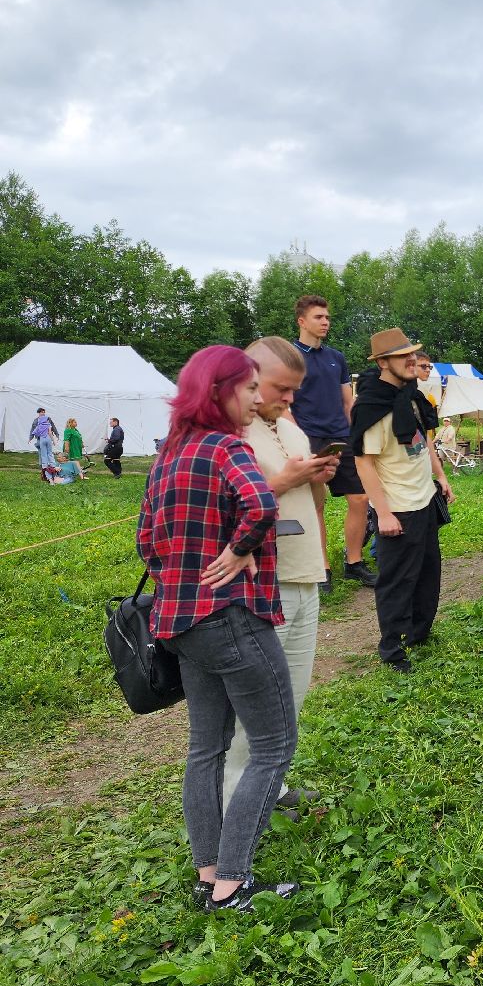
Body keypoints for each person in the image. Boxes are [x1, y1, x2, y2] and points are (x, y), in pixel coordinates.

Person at [137, 345, 298, 912]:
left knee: (205, 748)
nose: (258, 399)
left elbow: (145, 543)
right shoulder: (228, 446)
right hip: (231, 618)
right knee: (275, 744)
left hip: (178, 623)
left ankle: (208, 871)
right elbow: (262, 506)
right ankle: (233, 882)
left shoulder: (169, 454)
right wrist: (237, 550)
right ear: (219, 391)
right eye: (249, 388)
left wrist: (199, 561)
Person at [221, 337, 338, 817]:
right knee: (254, 704)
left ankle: (270, 784)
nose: (290, 399)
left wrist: (317, 477)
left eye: (296, 390)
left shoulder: (288, 428)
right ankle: (233, 801)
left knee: (290, 696)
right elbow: (218, 507)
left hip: (303, 573)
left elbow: (309, 503)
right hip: (261, 583)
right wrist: (283, 481)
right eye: (281, 388)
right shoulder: (228, 431)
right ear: (248, 377)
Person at [350, 328, 454, 673]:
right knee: (397, 581)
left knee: (428, 574)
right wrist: (383, 512)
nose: (411, 360)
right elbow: (363, 461)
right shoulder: (372, 405)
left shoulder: (411, 395)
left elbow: (424, 443)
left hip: (423, 499)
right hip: (397, 508)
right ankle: (392, 650)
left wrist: (440, 476)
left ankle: (419, 634)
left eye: (413, 353)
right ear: (382, 362)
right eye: (402, 356)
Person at [290, 295, 375, 591]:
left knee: (360, 499)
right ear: (302, 321)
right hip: (308, 438)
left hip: (341, 436)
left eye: (327, 317)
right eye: (318, 317)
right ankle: (321, 568)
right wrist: (293, 439)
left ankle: (354, 563)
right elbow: (284, 403)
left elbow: (347, 401)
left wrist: (356, 432)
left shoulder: (335, 357)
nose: (325, 322)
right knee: (316, 505)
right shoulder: (290, 356)